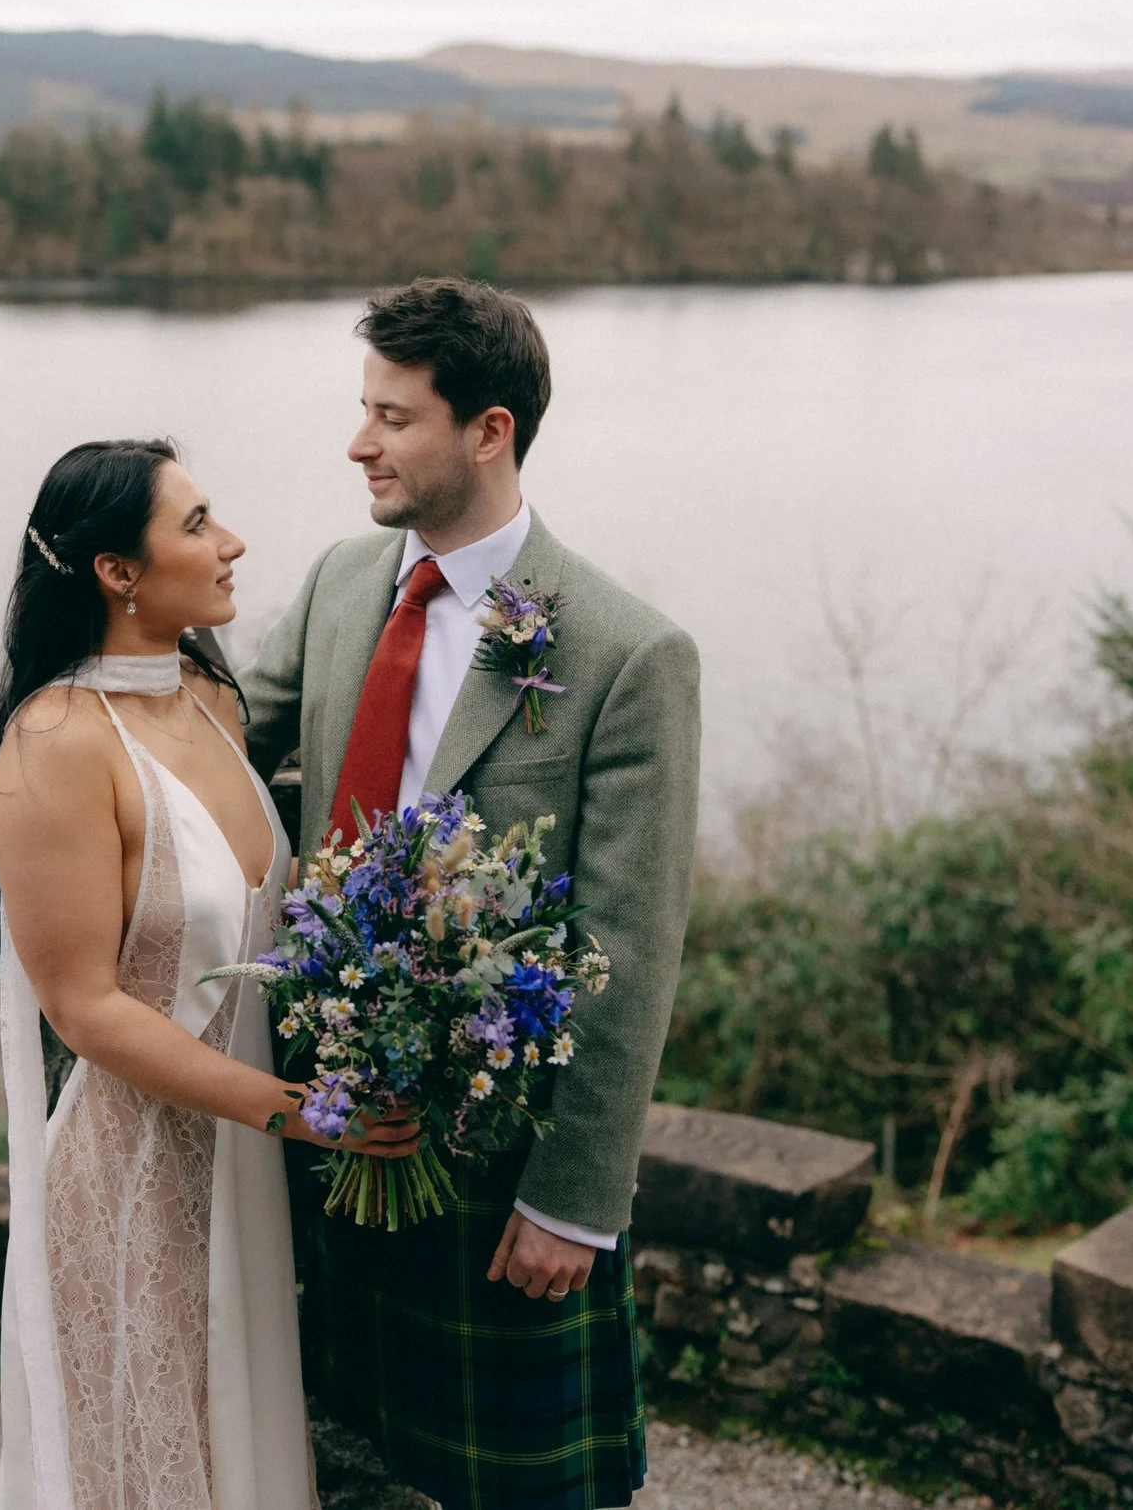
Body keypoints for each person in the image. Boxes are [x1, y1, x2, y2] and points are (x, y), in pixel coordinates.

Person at [240, 278, 701, 1510]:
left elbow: (632, 941)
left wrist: (575, 1197)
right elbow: (217, 728)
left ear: (487, 431)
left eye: (393, 417)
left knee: (513, 1486)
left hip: (496, 1154)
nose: (358, 442)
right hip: (329, 1106)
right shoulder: (346, 580)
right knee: (341, 1448)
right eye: (361, 409)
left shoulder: (620, 651)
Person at [0, 438, 421, 1510]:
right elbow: (84, 1006)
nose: (230, 544)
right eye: (194, 524)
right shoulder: (53, 744)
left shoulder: (211, 702)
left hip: (246, 1178)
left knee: (250, 1459)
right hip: (133, 1181)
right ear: (115, 573)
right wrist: (297, 1110)